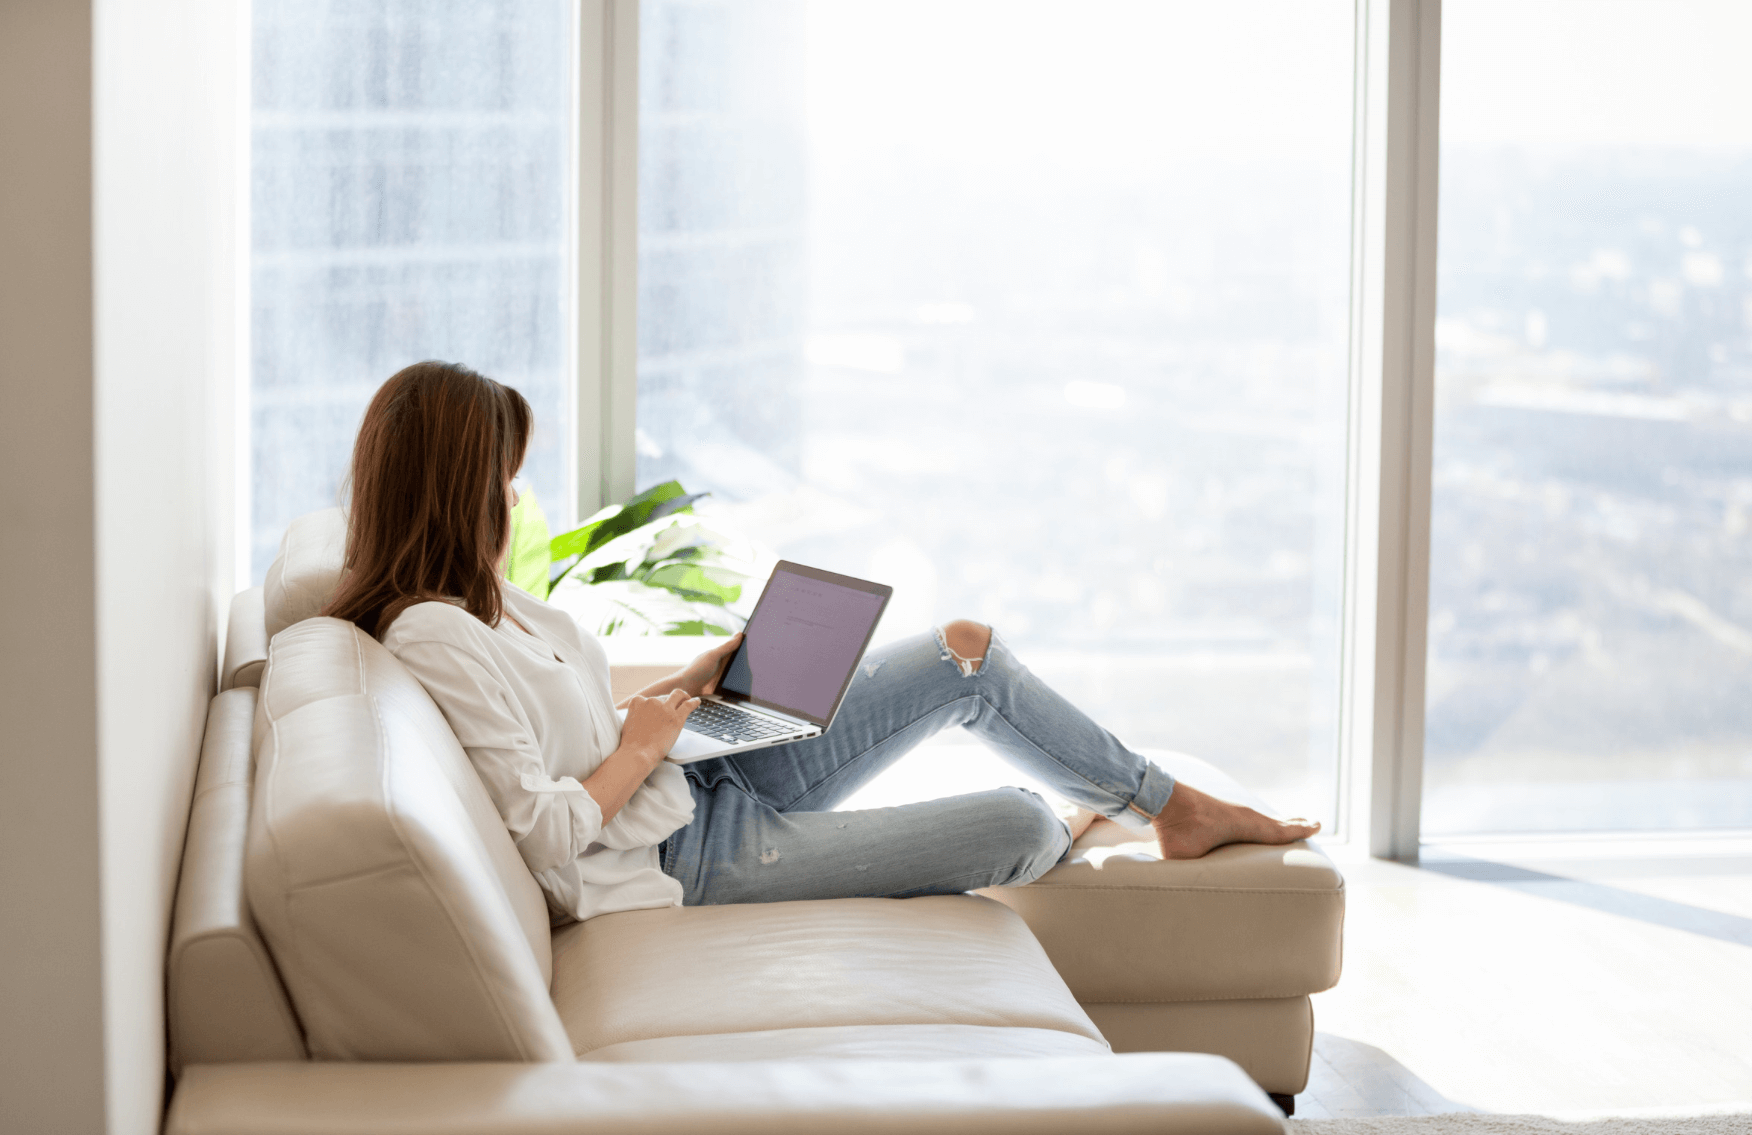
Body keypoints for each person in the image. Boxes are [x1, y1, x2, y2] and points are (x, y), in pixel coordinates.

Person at [322, 361, 1318, 922]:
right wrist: (642, 747)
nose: (514, 494)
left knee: (960, 649)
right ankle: (1105, 812)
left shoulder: (494, 600)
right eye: (503, 476)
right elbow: (541, 828)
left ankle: (1168, 804)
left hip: (692, 778)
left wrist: (686, 688)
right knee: (1020, 822)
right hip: (687, 855)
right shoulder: (429, 636)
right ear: (457, 487)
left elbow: (566, 733)